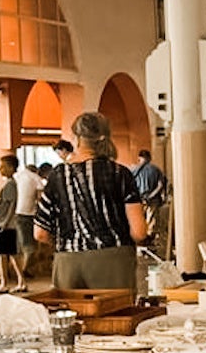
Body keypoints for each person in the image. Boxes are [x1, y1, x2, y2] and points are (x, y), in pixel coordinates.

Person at [33, 111, 146, 291]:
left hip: (69, 261)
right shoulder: (120, 174)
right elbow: (139, 232)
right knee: (116, 318)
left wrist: (66, 242)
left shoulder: (57, 176)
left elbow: (40, 233)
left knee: (73, 318)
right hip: (114, 261)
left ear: (76, 139)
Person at [0, 153, 25, 292]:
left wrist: (5, 222)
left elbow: (11, 205)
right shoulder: (9, 184)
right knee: (12, 254)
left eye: (3, 167)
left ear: (11, 168)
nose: (0, 169)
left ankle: (4, 282)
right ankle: (21, 281)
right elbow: (4, 203)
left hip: (3, 224)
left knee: (2, 255)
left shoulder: (10, 185)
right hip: (5, 223)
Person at [131, 148, 172, 258]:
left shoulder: (133, 170)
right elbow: (160, 186)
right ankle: (149, 246)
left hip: (138, 200)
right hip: (153, 201)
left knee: (140, 222)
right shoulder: (156, 170)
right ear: (149, 158)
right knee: (152, 223)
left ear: (139, 158)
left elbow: (129, 186)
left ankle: (141, 246)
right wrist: (152, 195)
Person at [12, 153, 45, 283]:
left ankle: (21, 271)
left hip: (14, 214)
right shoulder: (36, 178)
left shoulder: (16, 176)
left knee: (19, 246)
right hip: (28, 214)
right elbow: (40, 198)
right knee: (30, 246)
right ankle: (24, 271)